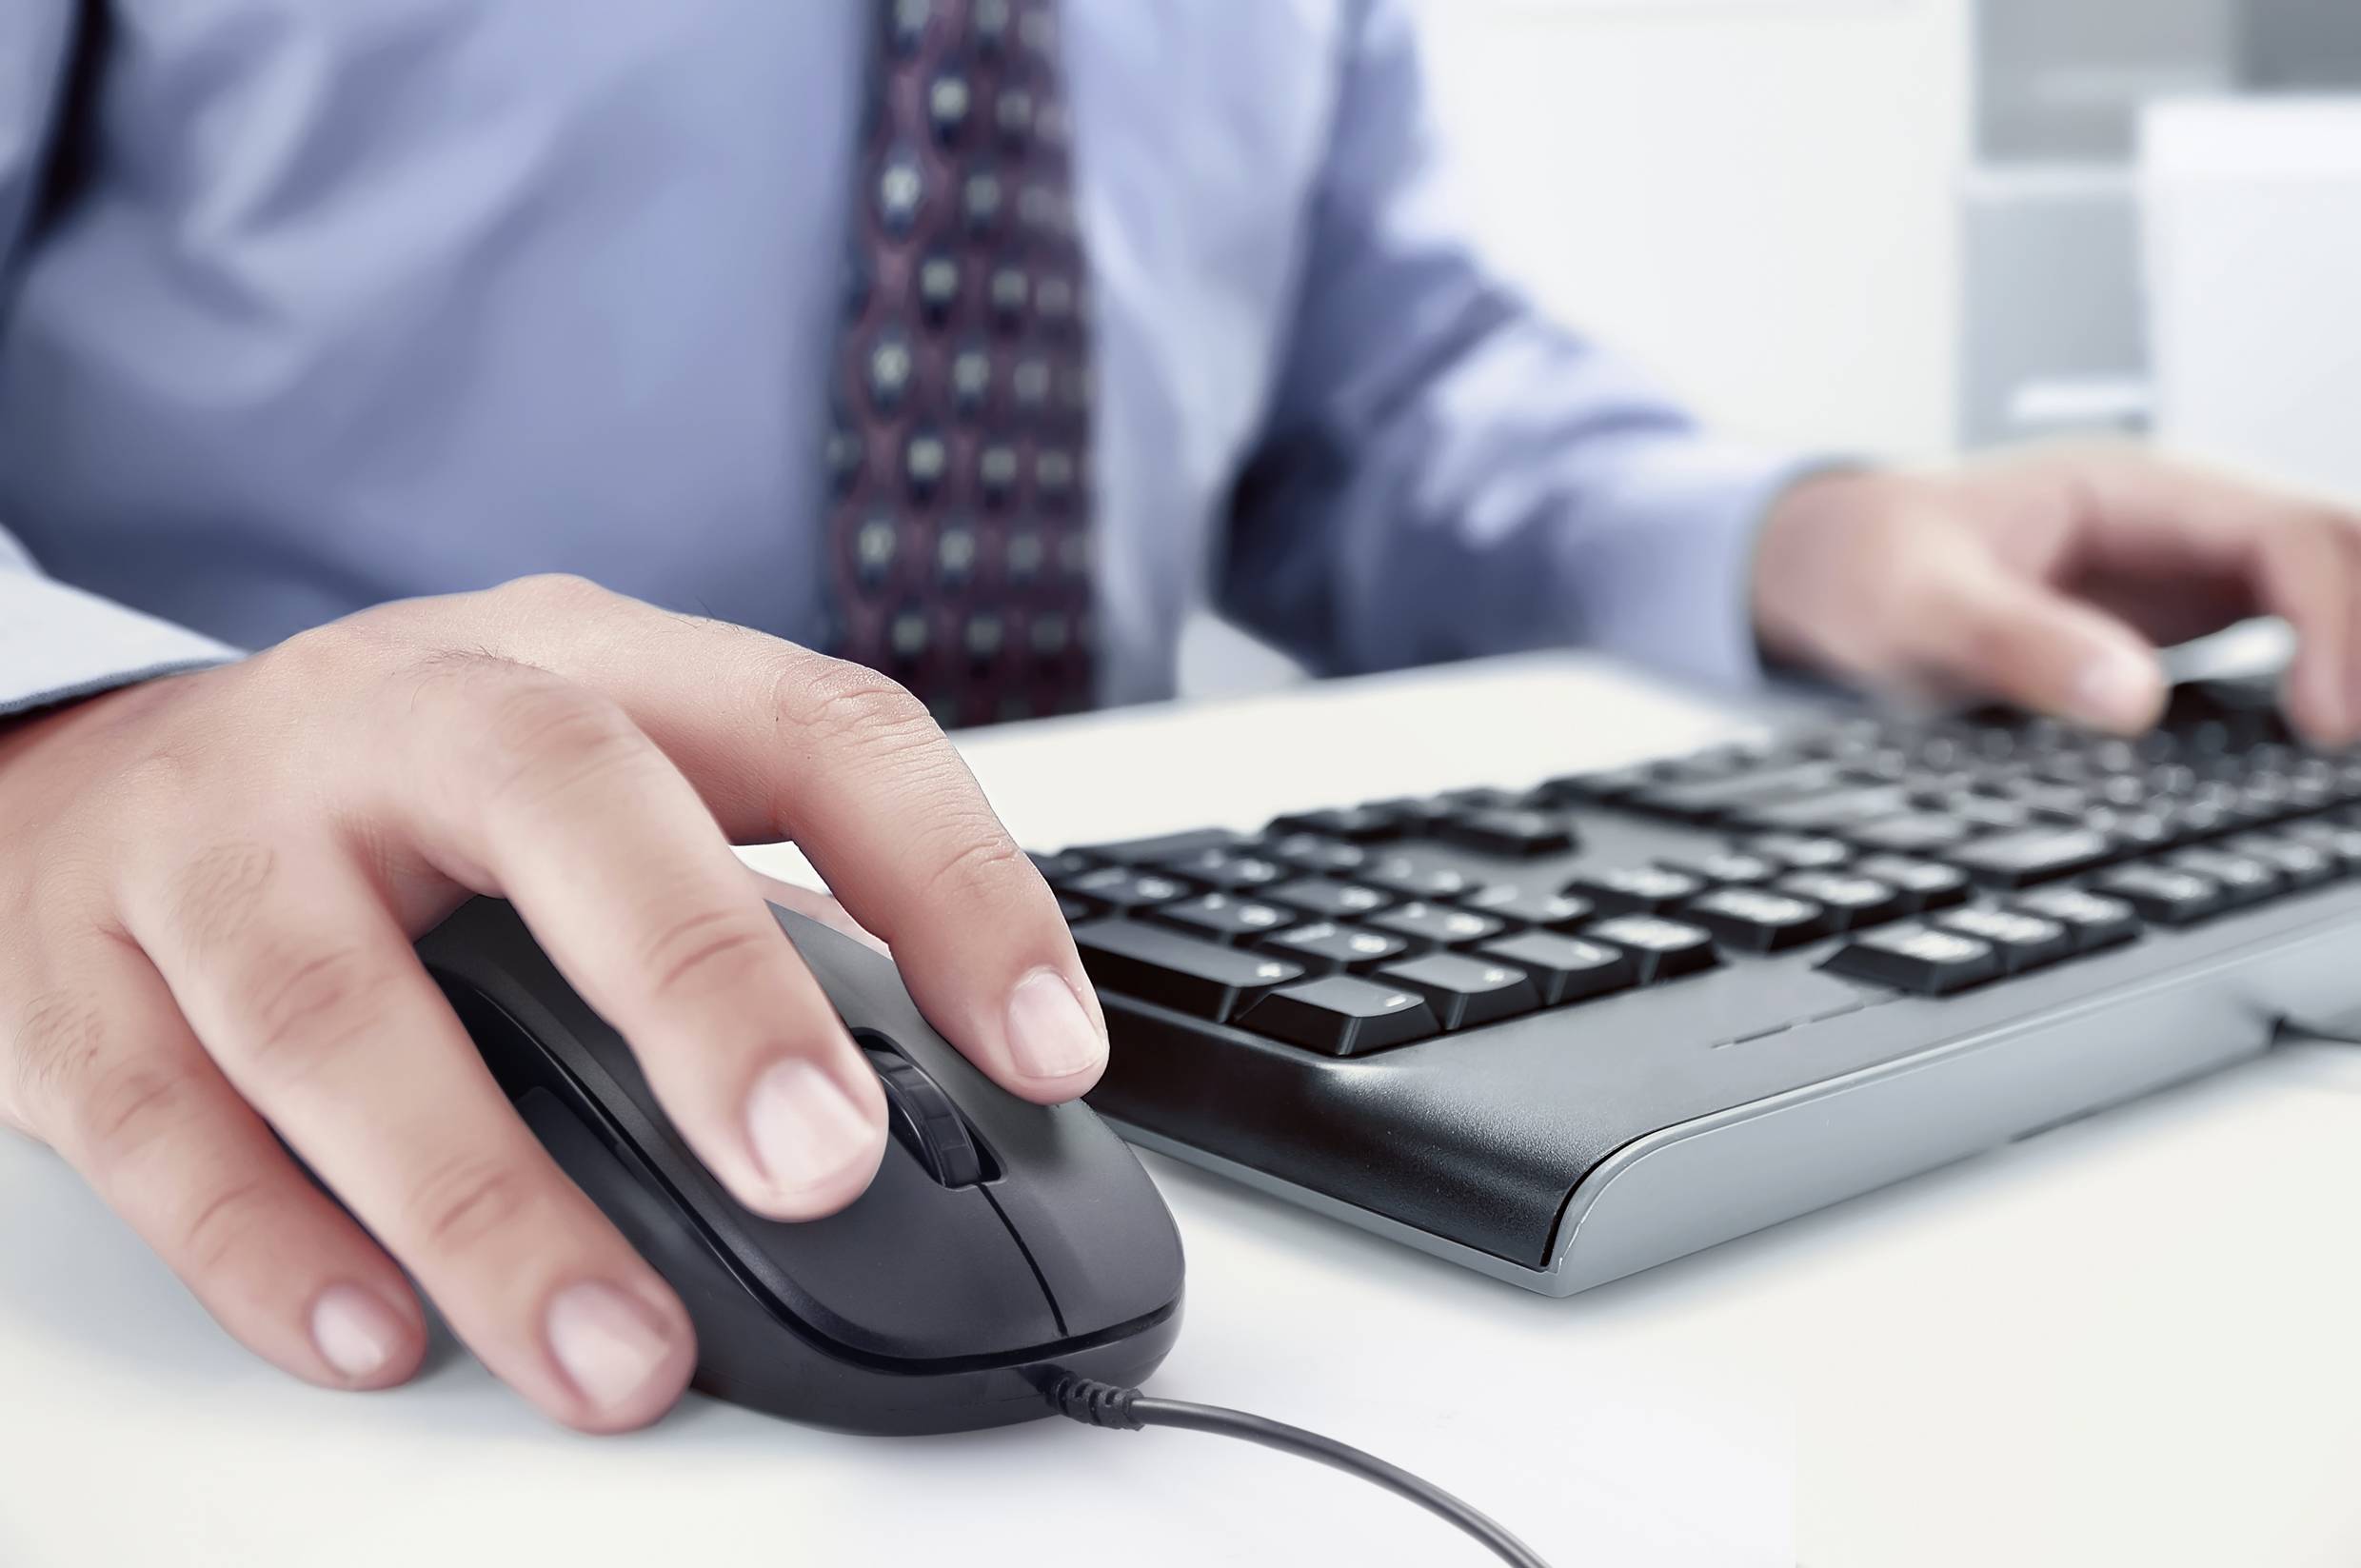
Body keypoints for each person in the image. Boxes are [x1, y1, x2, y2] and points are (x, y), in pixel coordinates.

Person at [1, 0, 2354, 1435]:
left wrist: (1794, 528)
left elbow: (1378, 392)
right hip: (305, 1015)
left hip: (1085, 996)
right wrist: (61, 734)